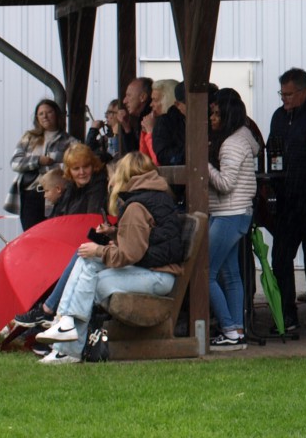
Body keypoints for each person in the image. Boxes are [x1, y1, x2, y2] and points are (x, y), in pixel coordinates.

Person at [36, 152, 189, 364]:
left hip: (158, 277)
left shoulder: (136, 206)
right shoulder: (154, 196)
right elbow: (147, 241)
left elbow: (130, 254)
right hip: (154, 272)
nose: (110, 179)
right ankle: (65, 324)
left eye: (113, 174)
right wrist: (115, 234)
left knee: (89, 276)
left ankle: (66, 343)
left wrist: (99, 250)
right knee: (86, 261)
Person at [266, 68, 306, 336]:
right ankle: (286, 315)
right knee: (280, 258)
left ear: (304, 92)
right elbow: (272, 147)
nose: (284, 99)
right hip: (285, 200)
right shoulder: (279, 117)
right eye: (282, 94)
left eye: (289, 94)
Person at [205, 88, 259, 351]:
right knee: (230, 274)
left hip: (229, 213)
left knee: (205, 273)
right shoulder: (242, 137)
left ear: (227, 116)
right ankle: (236, 331)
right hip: (235, 213)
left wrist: (203, 164)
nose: (212, 118)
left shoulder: (231, 144)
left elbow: (225, 184)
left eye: (216, 114)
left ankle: (228, 328)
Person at [10, 99, 72, 230]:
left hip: (55, 197)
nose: (45, 116)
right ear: (37, 118)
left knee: (53, 234)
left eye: (49, 112)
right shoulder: (29, 137)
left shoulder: (69, 141)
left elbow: (72, 168)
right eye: (41, 113)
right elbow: (15, 163)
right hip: (30, 194)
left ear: (57, 114)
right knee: (31, 235)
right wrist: (38, 160)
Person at [49, 142, 109, 217]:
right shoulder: (69, 189)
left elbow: (93, 217)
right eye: (76, 168)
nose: (82, 172)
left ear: (93, 165)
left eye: (86, 166)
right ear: (69, 170)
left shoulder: (100, 187)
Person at [146, 79, 187, 166]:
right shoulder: (162, 122)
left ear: (167, 99)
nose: (151, 104)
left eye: (155, 100)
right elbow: (160, 158)